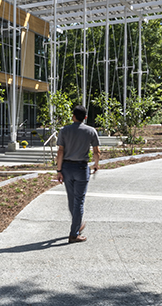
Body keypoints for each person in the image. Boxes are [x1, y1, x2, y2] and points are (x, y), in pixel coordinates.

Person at [55, 104, 101, 243]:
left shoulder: (64, 130)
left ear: (73, 116)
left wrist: (58, 170)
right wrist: (96, 164)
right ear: (85, 117)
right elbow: (96, 151)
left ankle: (77, 223)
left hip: (67, 167)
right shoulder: (91, 131)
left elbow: (60, 151)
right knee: (79, 201)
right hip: (81, 168)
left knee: (71, 198)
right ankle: (74, 233)